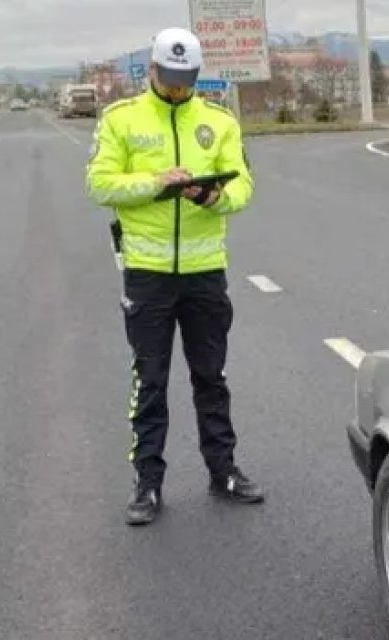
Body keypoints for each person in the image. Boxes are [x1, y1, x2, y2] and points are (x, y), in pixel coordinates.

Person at [86, 26, 262, 526]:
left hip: (206, 271)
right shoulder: (122, 119)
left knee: (212, 376)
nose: (180, 87)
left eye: (188, 79)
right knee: (151, 380)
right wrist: (155, 183)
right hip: (148, 273)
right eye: (171, 77)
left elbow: (244, 183)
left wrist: (215, 197)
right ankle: (148, 483)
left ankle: (223, 470)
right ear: (153, 69)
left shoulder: (219, 121)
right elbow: (99, 185)